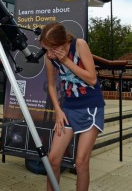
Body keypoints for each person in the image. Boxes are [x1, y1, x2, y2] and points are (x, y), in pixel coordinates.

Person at [39, 22, 105, 191]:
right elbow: (52, 86)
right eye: (46, 49)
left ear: (62, 43)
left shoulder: (80, 45)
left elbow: (92, 79)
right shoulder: (50, 58)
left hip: (91, 106)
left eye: (51, 49)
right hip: (68, 108)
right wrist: (58, 111)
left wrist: (65, 60)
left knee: (81, 161)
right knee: (53, 159)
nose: (49, 54)